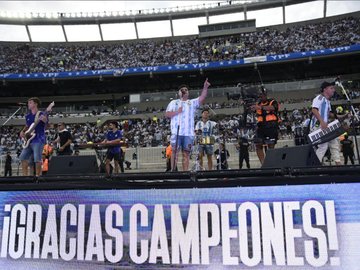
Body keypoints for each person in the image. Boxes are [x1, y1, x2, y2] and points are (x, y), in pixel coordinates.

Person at [165, 78, 210, 171]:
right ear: (179, 93)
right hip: (176, 132)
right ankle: (173, 171)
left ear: (188, 92)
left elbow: (202, 98)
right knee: (175, 152)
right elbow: (167, 114)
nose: (184, 91)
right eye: (182, 90)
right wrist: (177, 111)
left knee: (186, 153)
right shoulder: (173, 102)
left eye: (186, 90)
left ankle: (185, 172)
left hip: (188, 133)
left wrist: (205, 87)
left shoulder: (192, 102)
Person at [310, 82, 348, 165]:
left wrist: (343, 116)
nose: (334, 90)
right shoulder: (319, 98)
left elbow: (330, 114)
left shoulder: (327, 101)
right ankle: (315, 165)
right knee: (323, 146)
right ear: (325, 89)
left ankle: (338, 164)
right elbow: (314, 110)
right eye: (331, 88)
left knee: (334, 143)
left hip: (325, 125)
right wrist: (322, 121)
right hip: (319, 125)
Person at [19, 97, 49, 177]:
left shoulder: (42, 114)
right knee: (22, 157)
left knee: (37, 159)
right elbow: (27, 126)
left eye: (30, 103)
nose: (28, 104)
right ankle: (25, 177)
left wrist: (45, 121)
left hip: (38, 139)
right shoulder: (28, 116)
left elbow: (46, 126)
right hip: (29, 140)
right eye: (28, 103)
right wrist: (22, 131)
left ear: (36, 104)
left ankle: (37, 176)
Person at [251, 87, 279, 164]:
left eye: (262, 95)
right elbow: (254, 110)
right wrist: (251, 107)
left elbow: (274, 107)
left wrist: (260, 107)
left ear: (265, 94)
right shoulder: (257, 103)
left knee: (271, 146)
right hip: (261, 127)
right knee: (258, 144)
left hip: (271, 127)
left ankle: (271, 163)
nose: (261, 97)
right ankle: (263, 164)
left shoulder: (272, 101)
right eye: (260, 95)